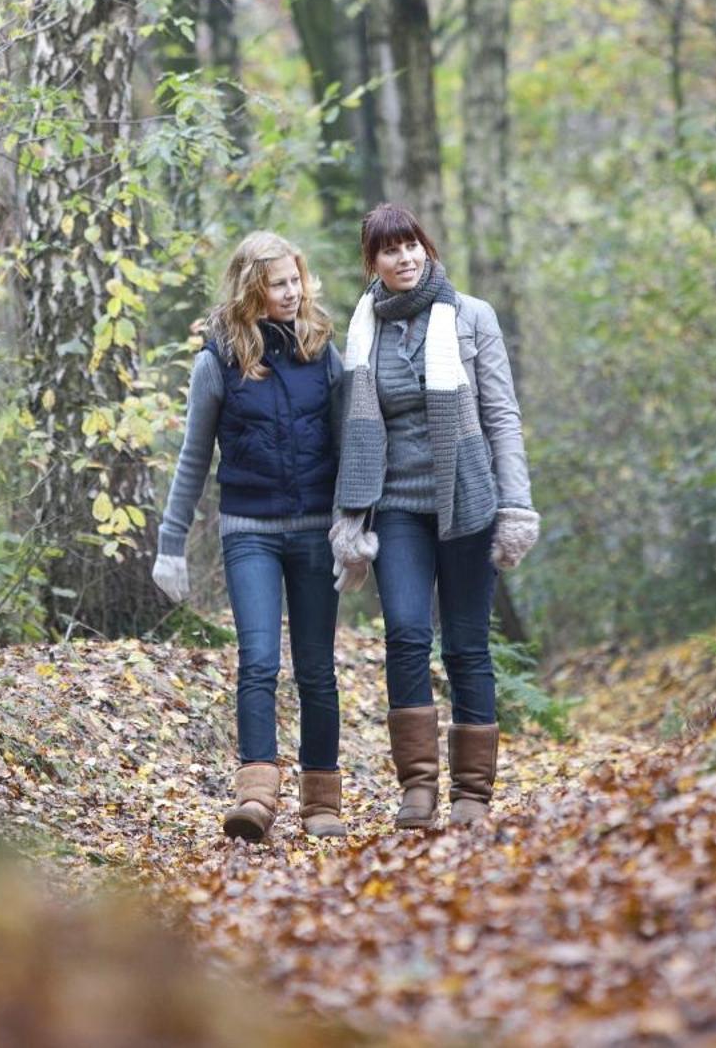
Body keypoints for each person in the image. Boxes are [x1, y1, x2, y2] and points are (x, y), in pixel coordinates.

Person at [330, 204, 539, 829]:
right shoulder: (363, 328)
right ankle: (417, 789)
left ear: (427, 247)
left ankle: (472, 793)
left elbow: (502, 416)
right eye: (390, 250)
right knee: (406, 636)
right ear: (374, 262)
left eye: (413, 244)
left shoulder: (473, 317)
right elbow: (352, 430)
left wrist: (516, 503)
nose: (405, 258)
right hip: (396, 506)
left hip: (469, 501)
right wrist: (349, 513)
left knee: (468, 645)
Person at [151, 231, 348, 841]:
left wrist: (356, 524)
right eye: (278, 285)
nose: (292, 293)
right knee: (258, 661)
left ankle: (322, 800)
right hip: (250, 531)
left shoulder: (325, 352)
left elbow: (351, 446)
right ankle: (257, 797)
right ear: (250, 290)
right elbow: (192, 457)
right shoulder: (218, 361)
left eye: (297, 281)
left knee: (316, 668)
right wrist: (170, 543)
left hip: (317, 530)